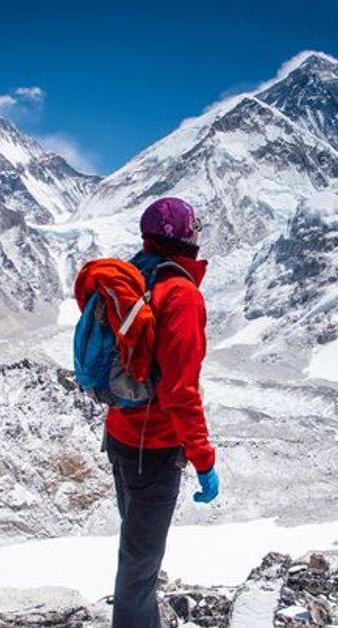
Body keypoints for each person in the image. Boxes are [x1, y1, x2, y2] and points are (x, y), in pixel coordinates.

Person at [103, 196, 219, 628]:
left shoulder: (134, 279)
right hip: (153, 448)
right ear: (186, 239)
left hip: (119, 437)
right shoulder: (181, 295)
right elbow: (180, 390)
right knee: (139, 568)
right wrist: (203, 459)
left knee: (137, 556)